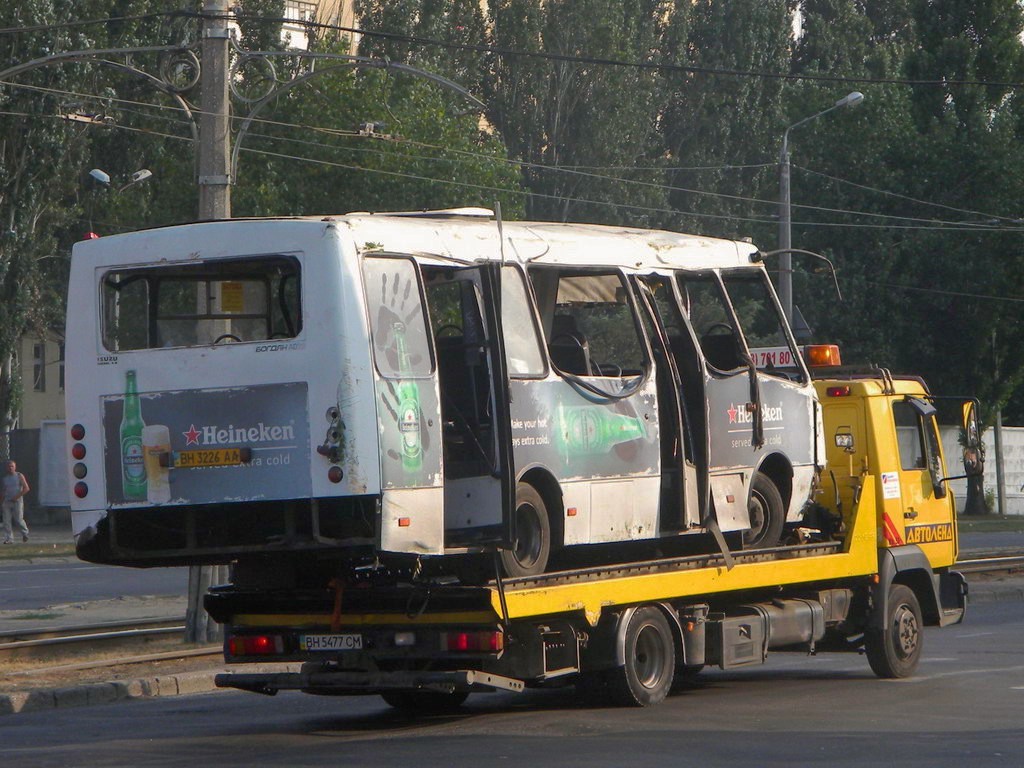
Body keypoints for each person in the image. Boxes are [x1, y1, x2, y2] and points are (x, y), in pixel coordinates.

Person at [1, 459, 30, 544]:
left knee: (18, 519)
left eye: (12, 466)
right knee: (6, 520)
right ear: (6, 468)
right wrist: (1, 502)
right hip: (7, 501)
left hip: (17, 500)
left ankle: (25, 533)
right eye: (9, 466)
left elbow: (26, 488)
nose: (10, 468)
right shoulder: (5, 479)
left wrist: (17, 496)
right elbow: (3, 491)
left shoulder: (19, 475)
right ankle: (9, 538)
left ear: (15, 467)